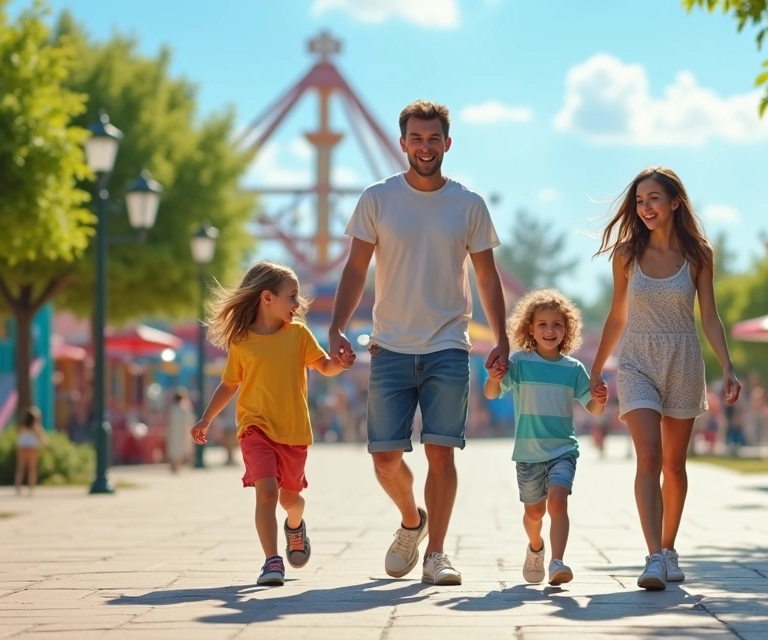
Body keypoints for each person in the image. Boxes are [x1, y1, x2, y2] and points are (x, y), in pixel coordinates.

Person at [329, 99, 509, 586]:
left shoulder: (468, 204)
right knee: (385, 457)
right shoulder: (377, 199)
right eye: (416, 138)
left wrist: (502, 338)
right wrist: (337, 325)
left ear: (447, 144)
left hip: (449, 344)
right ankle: (413, 520)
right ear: (402, 142)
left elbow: (488, 278)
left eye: (434, 139)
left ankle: (436, 554)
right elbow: (355, 268)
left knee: (440, 451)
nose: (425, 147)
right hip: (389, 346)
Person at [589, 166, 740, 590]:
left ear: (675, 202)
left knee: (674, 465)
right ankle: (653, 556)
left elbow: (709, 316)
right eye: (639, 201)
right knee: (649, 457)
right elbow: (617, 316)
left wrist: (728, 366)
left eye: (653, 198)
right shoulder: (626, 254)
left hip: (684, 359)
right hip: (637, 360)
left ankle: (669, 547)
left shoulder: (699, 255)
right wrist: (597, 367)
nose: (645, 207)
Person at [191, 262, 351, 586]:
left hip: (293, 430)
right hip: (255, 426)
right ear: (267, 298)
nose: (298, 304)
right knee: (266, 492)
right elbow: (229, 384)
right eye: (292, 297)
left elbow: (323, 366)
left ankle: (295, 525)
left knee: (289, 499)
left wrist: (340, 364)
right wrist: (207, 418)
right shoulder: (241, 341)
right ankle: (272, 560)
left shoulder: (298, 335)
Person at [484, 289, 606, 586]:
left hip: (563, 450)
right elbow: (491, 393)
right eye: (543, 324)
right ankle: (536, 546)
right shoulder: (520, 363)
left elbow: (594, 409)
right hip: (528, 454)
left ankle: (557, 561)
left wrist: (601, 398)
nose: (550, 330)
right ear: (530, 328)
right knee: (534, 513)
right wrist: (493, 377)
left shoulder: (573, 369)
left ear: (568, 329)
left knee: (557, 502)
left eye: (557, 324)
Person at [14, 407, 46, 495]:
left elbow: (18, 434)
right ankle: (31, 489)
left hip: (22, 447)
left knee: (20, 468)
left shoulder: (22, 426)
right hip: (32, 447)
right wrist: (46, 444)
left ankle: (18, 488)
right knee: (32, 469)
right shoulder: (36, 426)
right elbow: (40, 436)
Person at [165, 388, 194, 474]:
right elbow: (189, 421)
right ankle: (176, 466)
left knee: (174, 449)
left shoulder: (172, 409)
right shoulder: (184, 410)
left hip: (173, 433)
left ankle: (174, 465)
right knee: (179, 449)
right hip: (182, 433)